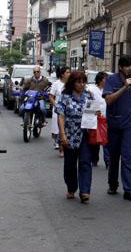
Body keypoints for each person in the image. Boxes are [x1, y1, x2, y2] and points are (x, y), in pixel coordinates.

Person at [103, 56, 131, 202]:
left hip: (129, 125)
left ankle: (129, 190)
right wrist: (124, 87)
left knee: (127, 156)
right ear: (120, 67)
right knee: (114, 157)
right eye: (127, 66)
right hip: (114, 124)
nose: (130, 69)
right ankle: (113, 184)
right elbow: (108, 99)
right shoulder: (111, 80)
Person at [56, 71, 98, 203]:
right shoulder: (65, 96)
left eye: (83, 81)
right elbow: (61, 116)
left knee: (86, 162)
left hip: (85, 134)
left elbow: (93, 113)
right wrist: (62, 134)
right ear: (72, 83)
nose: (82, 84)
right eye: (78, 82)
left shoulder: (88, 95)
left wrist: (96, 113)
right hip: (70, 134)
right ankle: (71, 188)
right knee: (70, 164)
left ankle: (85, 191)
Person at [88, 72, 109, 168]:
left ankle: (108, 160)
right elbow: (88, 104)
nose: (107, 81)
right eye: (105, 79)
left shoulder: (109, 90)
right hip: (95, 118)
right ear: (100, 80)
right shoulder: (91, 89)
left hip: (105, 118)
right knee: (95, 141)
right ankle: (94, 159)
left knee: (106, 140)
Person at [49, 66, 71, 157]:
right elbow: (51, 96)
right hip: (58, 111)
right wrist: (57, 106)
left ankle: (66, 148)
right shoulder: (56, 84)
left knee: (67, 130)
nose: (69, 74)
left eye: (69, 72)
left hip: (69, 110)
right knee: (59, 130)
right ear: (62, 74)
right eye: (67, 72)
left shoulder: (71, 84)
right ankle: (61, 150)